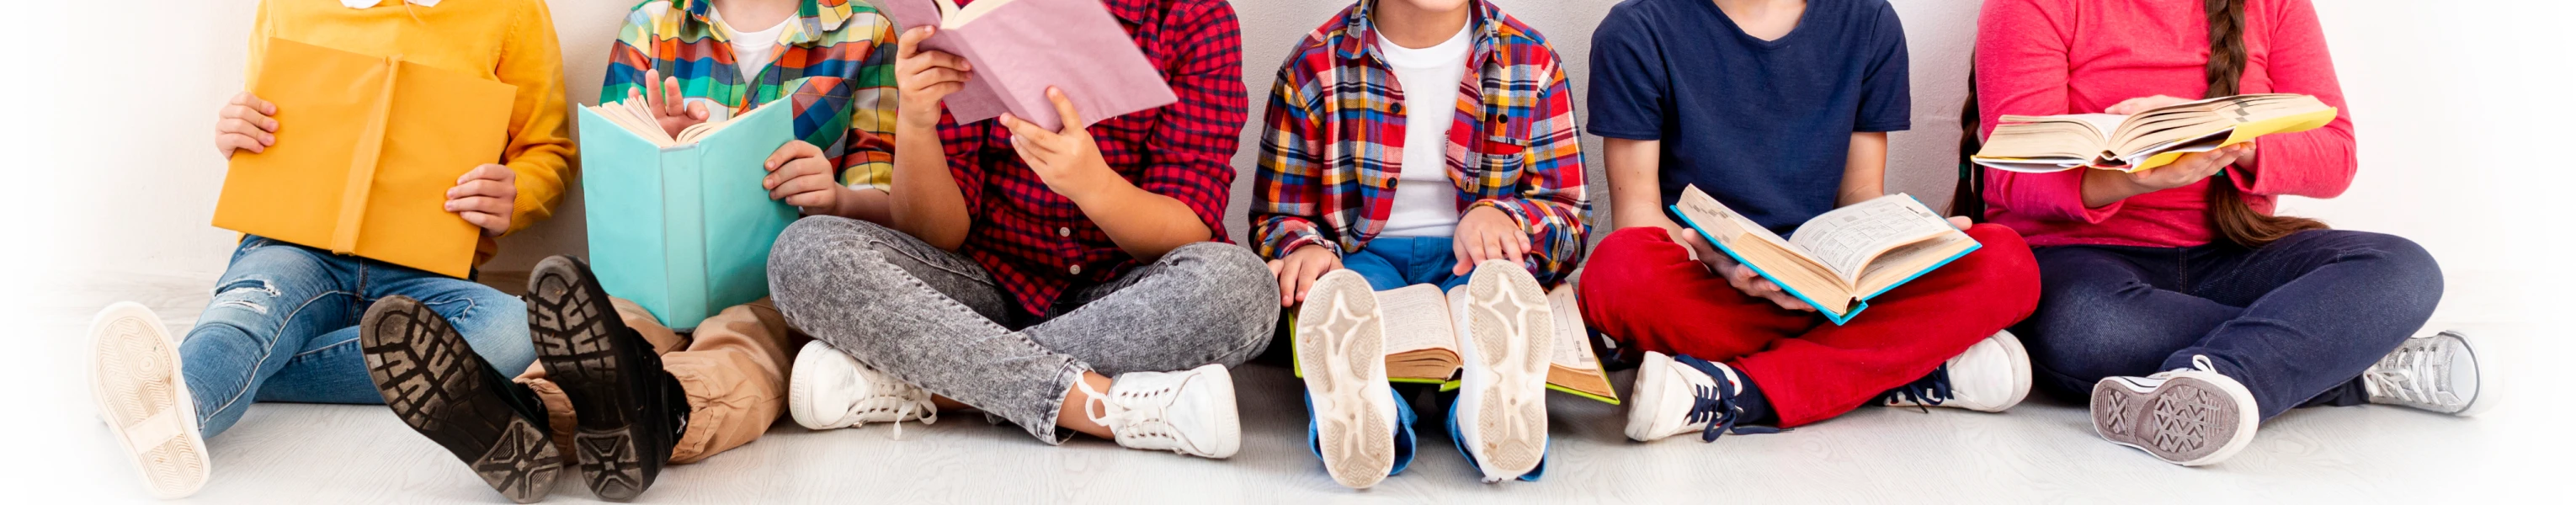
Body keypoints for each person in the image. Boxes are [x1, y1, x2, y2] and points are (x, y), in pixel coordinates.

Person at [358, 0, 912, 501]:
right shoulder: (651, 25)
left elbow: (888, 204)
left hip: (777, 280)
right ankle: (524, 410)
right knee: (613, 327)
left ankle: (657, 412)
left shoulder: (866, 30)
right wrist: (659, 140)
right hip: (655, 273)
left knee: (744, 346)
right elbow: (613, 171)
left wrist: (836, 195)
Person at [82, 0, 572, 499]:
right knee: (256, 304)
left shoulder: (511, 11)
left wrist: (519, 194)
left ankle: (198, 373)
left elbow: (547, 151)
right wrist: (238, 129)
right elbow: (260, 120)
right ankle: (179, 408)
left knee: (514, 330)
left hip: (428, 271)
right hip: (291, 248)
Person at [1972, 0, 2491, 467]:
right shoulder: (2030, 6)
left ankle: (2220, 374)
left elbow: (2335, 155)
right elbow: (2011, 174)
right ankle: (2357, 364)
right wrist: (2130, 176)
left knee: (2403, 265)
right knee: (2091, 327)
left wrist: (2225, 140)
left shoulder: (2275, 5)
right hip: (2083, 259)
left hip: (2233, 252)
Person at [769, 0, 1275, 460]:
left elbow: (1187, 227)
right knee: (804, 251)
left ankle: (932, 387)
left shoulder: (1193, 17)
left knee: (1242, 289)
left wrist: (1093, 186)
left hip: (1129, 291)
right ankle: (1093, 403)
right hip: (982, 286)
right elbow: (935, 234)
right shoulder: (970, 14)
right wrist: (918, 125)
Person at [1579, 0, 2044, 445]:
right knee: (1616, 273)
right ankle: (1897, 367)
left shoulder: (1869, 20)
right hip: (1711, 281)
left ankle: (1742, 391)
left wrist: (1909, 243)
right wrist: (1720, 264)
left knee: (2007, 258)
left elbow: (1861, 193)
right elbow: (1637, 213)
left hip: (1833, 289)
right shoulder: (1635, 30)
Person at [1252, 0, 1587, 487]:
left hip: (1474, 264)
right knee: (1344, 314)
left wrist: (1503, 216)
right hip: (1362, 257)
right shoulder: (1314, 62)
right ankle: (1374, 420)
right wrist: (1301, 248)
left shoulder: (1531, 60)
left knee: (1491, 311)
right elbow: (1278, 211)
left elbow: (1569, 215)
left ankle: (1484, 421)